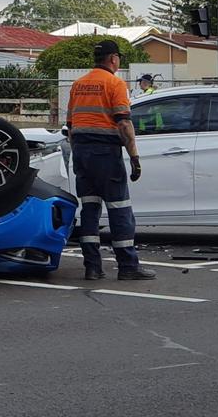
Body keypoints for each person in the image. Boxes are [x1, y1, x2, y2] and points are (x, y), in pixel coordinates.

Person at [66, 40, 156, 281]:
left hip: (82, 154)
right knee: (119, 209)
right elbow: (124, 123)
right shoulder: (115, 83)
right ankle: (127, 265)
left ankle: (92, 267)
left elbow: (71, 126)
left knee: (90, 209)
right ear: (114, 59)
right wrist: (135, 157)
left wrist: (79, 155)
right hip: (106, 154)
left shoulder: (78, 84)